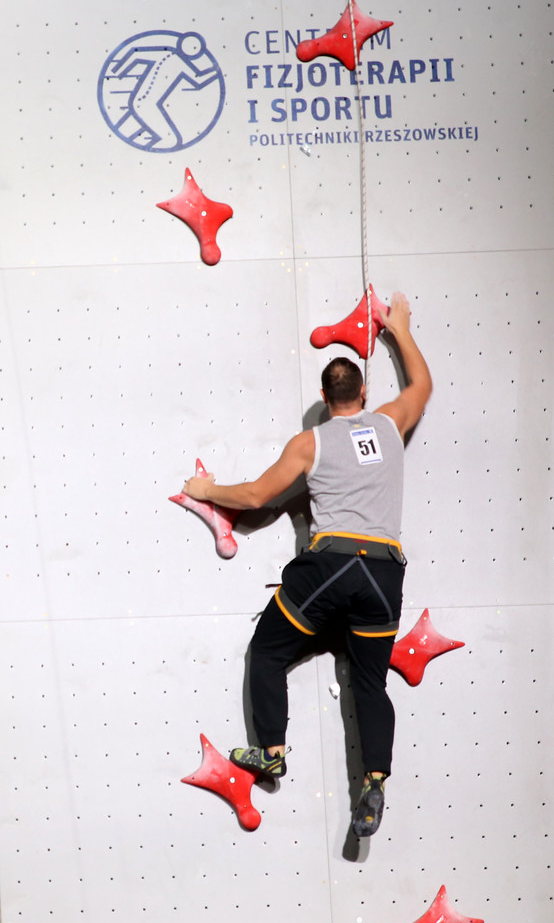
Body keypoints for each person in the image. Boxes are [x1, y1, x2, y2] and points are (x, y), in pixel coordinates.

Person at [181, 291, 432, 837]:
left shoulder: (310, 443)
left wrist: (205, 489)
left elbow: (255, 497)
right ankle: (374, 781)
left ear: (323, 397)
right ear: (362, 392)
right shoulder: (390, 422)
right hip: (383, 573)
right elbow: (422, 386)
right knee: (370, 684)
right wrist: (400, 330)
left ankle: (271, 753)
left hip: (332, 566)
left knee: (269, 649)